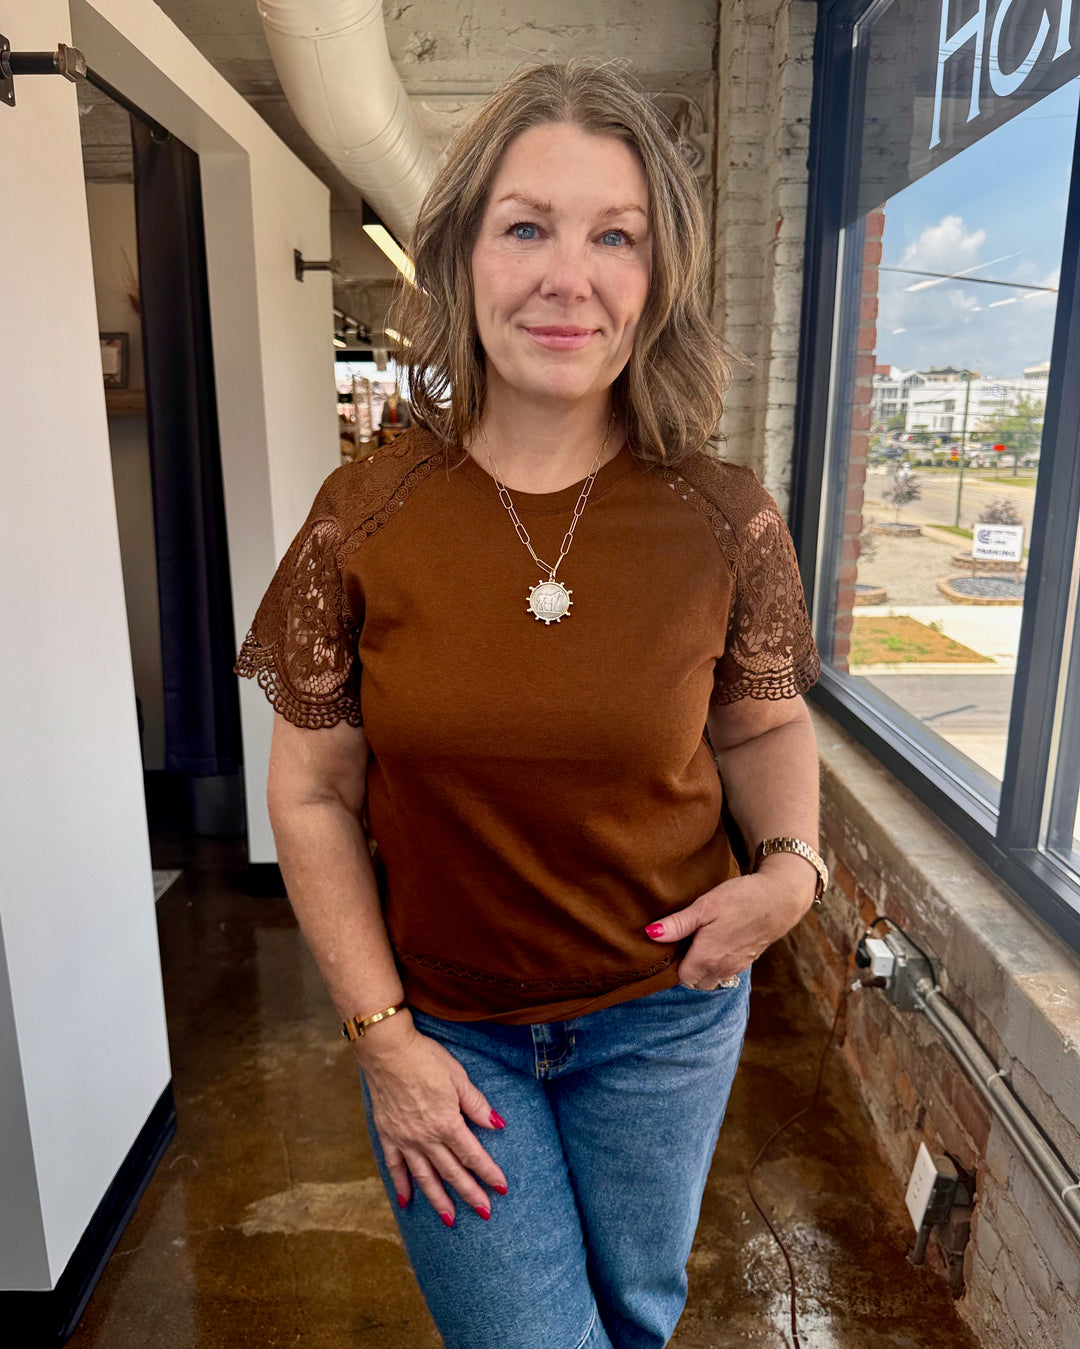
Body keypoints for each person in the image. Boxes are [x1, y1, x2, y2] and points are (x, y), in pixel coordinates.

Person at [234, 59, 824, 1349]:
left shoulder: (724, 519)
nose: (571, 276)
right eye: (527, 229)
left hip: (666, 1018)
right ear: (460, 262)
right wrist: (382, 1039)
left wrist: (792, 871)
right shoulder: (365, 515)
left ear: (654, 280)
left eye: (615, 235)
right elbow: (313, 791)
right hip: (446, 1035)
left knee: (633, 1322)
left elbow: (763, 722)